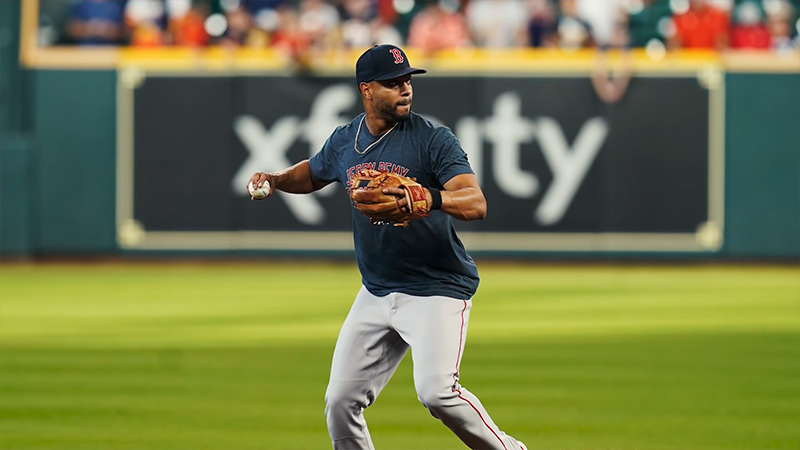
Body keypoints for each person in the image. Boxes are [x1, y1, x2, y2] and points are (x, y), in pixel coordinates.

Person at [246, 44, 527, 450]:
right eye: (393, 83)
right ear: (366, 89)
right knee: (340, 402)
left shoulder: (433, 140)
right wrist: (274, 178)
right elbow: (312, 172)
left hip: (436, 288)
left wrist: (429, 198)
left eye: (408, 81)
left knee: (437, 393)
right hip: (376, 289)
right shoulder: (347, 140)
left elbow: (476, 202)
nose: (406, 89)